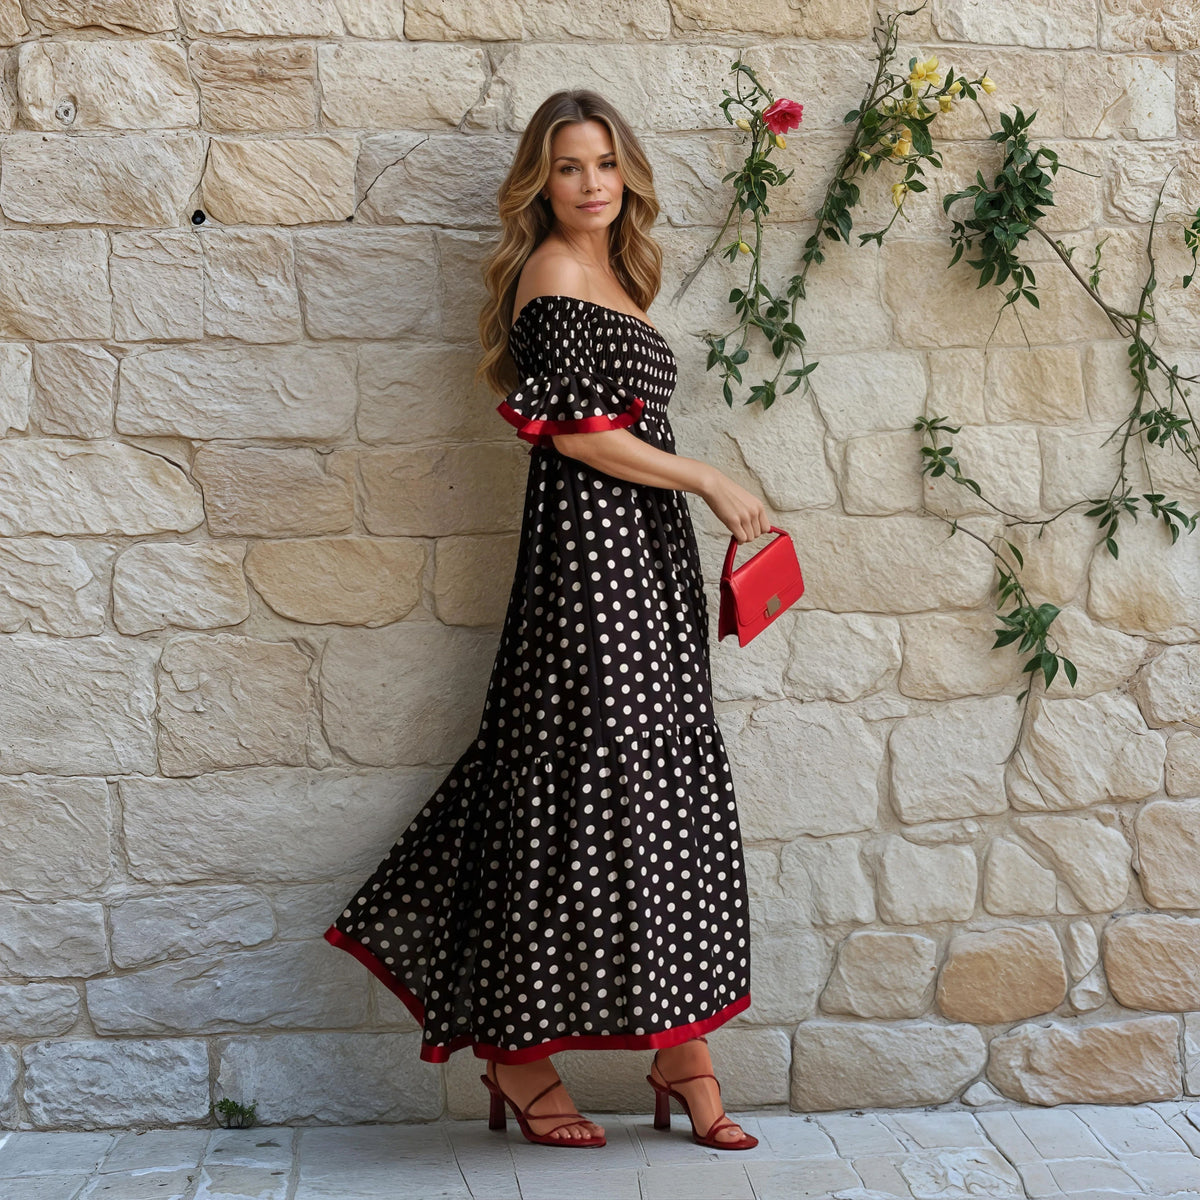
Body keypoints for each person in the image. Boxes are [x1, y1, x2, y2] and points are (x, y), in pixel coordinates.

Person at [324, 88, 770, 1151]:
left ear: (628, 175)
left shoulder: (617, 272)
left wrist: (687, 503)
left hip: (644, 561)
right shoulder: (554, 274)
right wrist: (706, 476)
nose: (591, 183)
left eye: (606, 162)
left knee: (652, 777)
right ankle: (523, 1057)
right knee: (585, 773)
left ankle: (681, 1046)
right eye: (570, 166)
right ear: (542, 180)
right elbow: (574, 435)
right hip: (591, 563)